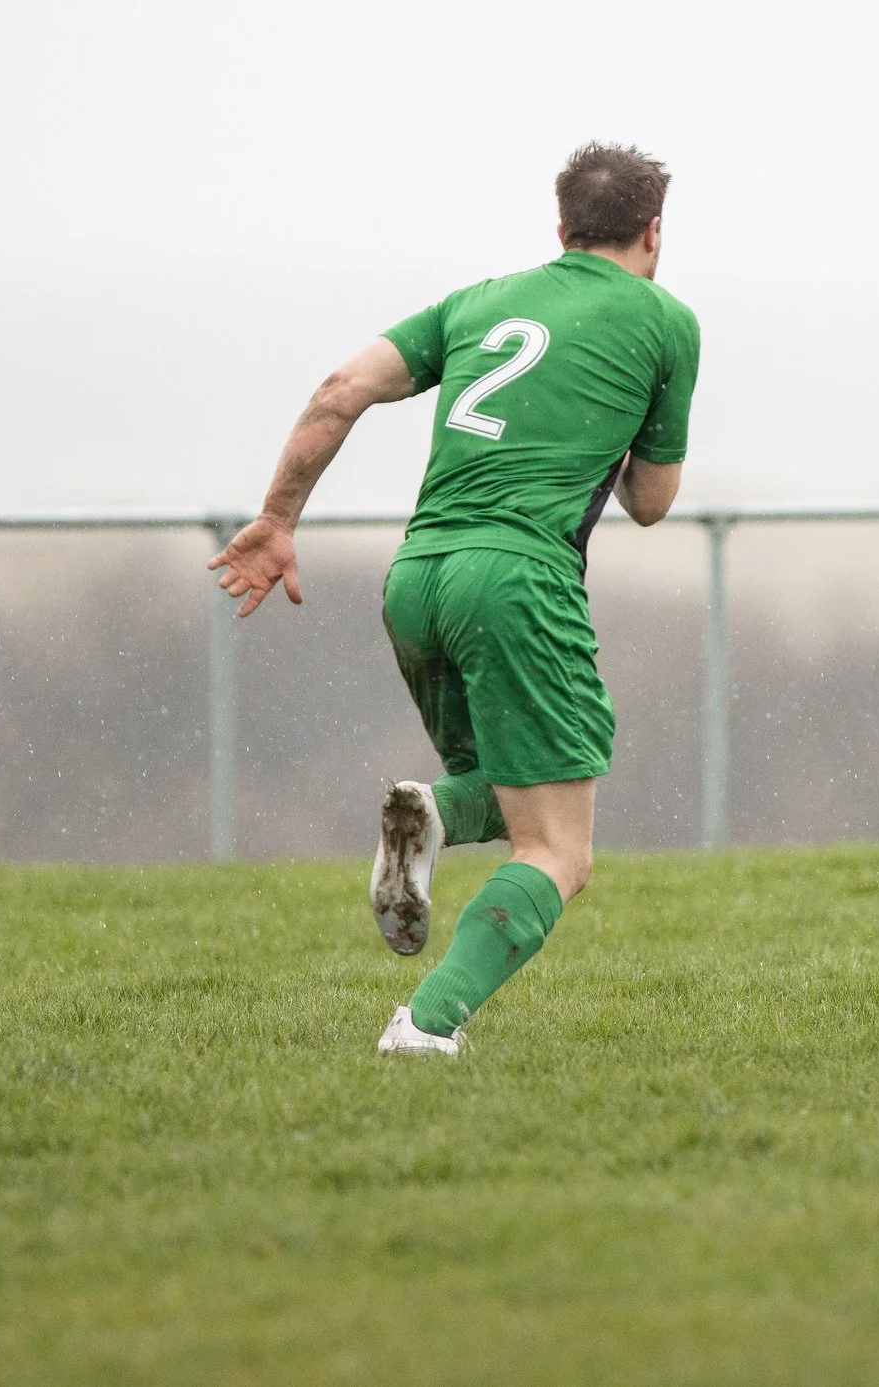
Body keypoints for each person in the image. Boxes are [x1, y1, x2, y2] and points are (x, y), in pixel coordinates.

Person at [209, 143, 700, 1056]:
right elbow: (651, 502)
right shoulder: (666, 321)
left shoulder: (475, 303)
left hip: (418, 577)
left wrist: (277, 521)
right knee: (558, 851)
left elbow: (341, 389)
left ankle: (430, 814)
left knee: (507, 790)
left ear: (562, 226)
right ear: (653, 230)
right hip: (516, 582)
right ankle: (426, 1026)